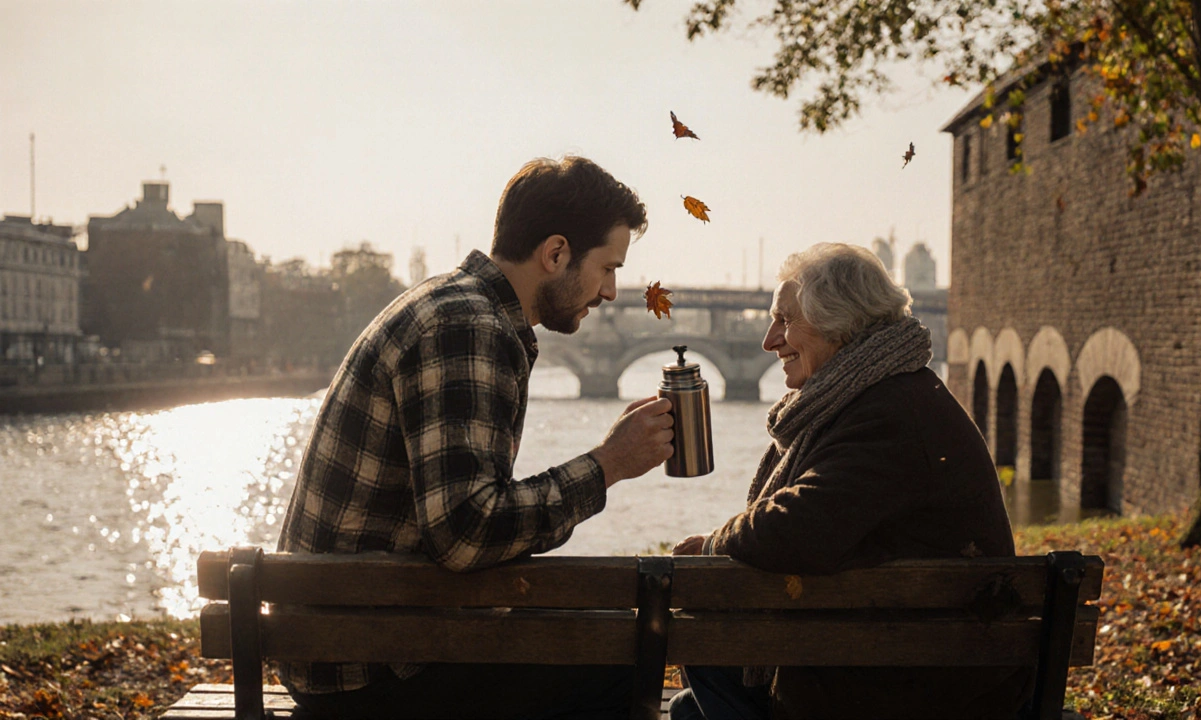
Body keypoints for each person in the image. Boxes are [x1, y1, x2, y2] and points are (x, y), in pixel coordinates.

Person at [276, 156, 675, 719]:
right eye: (607, 268)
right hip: (366, 672)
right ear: (556, 253)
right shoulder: (468, 327)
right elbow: (465, 531)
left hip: (342, 641)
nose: (611, 292)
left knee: (593, 641)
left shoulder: (453, 304)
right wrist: (609, 463)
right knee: (618, 659)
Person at [667, 242, 1028, 720]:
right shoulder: (890, 394)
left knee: (701, 636)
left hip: (909, 689)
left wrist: (714, 546)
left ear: (839, 324)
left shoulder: (890, 413)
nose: (769, 340)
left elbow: (798, 529)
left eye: (786, 320)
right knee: (691, 708)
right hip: (916, 661)